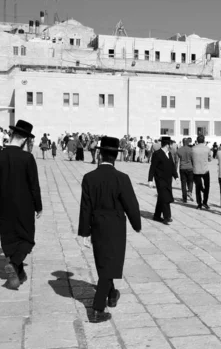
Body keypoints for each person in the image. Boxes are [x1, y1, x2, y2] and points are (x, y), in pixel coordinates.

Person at [78, 136, 141, 323]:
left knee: (105, 262)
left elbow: (85, 206)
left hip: (97, 225)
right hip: (115, 227)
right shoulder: (122, 178)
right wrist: (136, 224)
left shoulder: (89, 178)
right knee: (109, 265)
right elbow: (131, 204)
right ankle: (97, 309)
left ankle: (112, 294)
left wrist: (84, 232)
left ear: (100, 154)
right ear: (115, 157)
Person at [0, 120, 42, 290]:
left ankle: (18, 275)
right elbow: (34, 185)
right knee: (27, 238)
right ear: (25, 139)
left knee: (9, 237)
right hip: (24, 205)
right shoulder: (27, 158)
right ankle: (13, 263)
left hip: (4, 205)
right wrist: (38, 206)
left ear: (11, 135)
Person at [148, 136, 178, 224]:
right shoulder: (157, 154)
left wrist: (176, 176)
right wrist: (150, 180)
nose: (173, 145)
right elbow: (152, 167)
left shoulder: (169, 154)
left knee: (162, 198)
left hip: (168, 180)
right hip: (160, 180)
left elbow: (172, 166)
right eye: (171, 143)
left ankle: (157, 216)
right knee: (165, 198)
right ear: (168, 145)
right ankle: (167, 217)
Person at [191, 135, 212, 210]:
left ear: (197, 141)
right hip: (205, 170)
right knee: (207, 186)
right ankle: (205, 202)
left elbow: (191, 159)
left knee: (198, 187)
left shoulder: (193, 149)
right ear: (204, 140)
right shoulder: (207, 148)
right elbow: (210, 159)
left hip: (196, 170)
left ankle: (199, 204)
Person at [176, 138, 194, 203]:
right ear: (187, 142)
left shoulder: (179, 150)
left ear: (182, 142)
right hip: (190, 167)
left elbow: (177, 160)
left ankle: (184, 198)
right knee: (191, 181)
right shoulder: (191, 150)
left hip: (182, 168)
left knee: (183, 183)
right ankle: (189, 191)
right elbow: (193, 159)